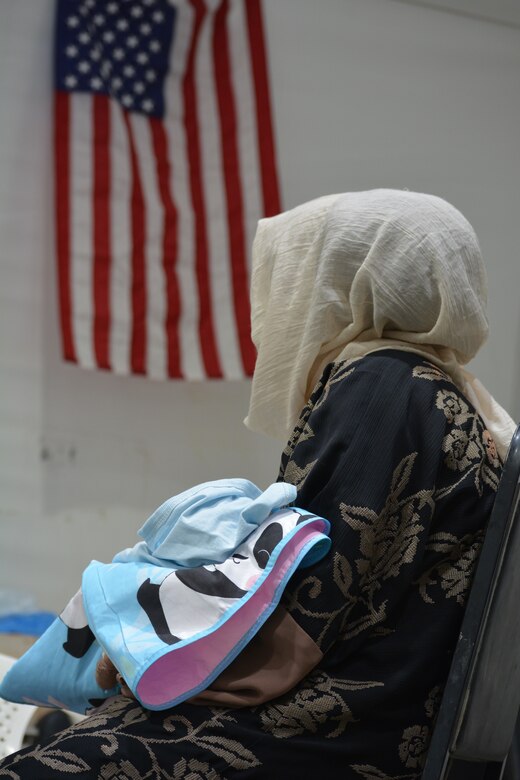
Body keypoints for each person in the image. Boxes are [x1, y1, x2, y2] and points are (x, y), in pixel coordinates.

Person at [0, 189, 514, 779]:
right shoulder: (443, 393)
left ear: (337, 284)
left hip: (344, 728)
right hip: (390, 715)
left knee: (44, 766)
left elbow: (306, 603)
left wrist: (142, 648)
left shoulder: (380, 385)